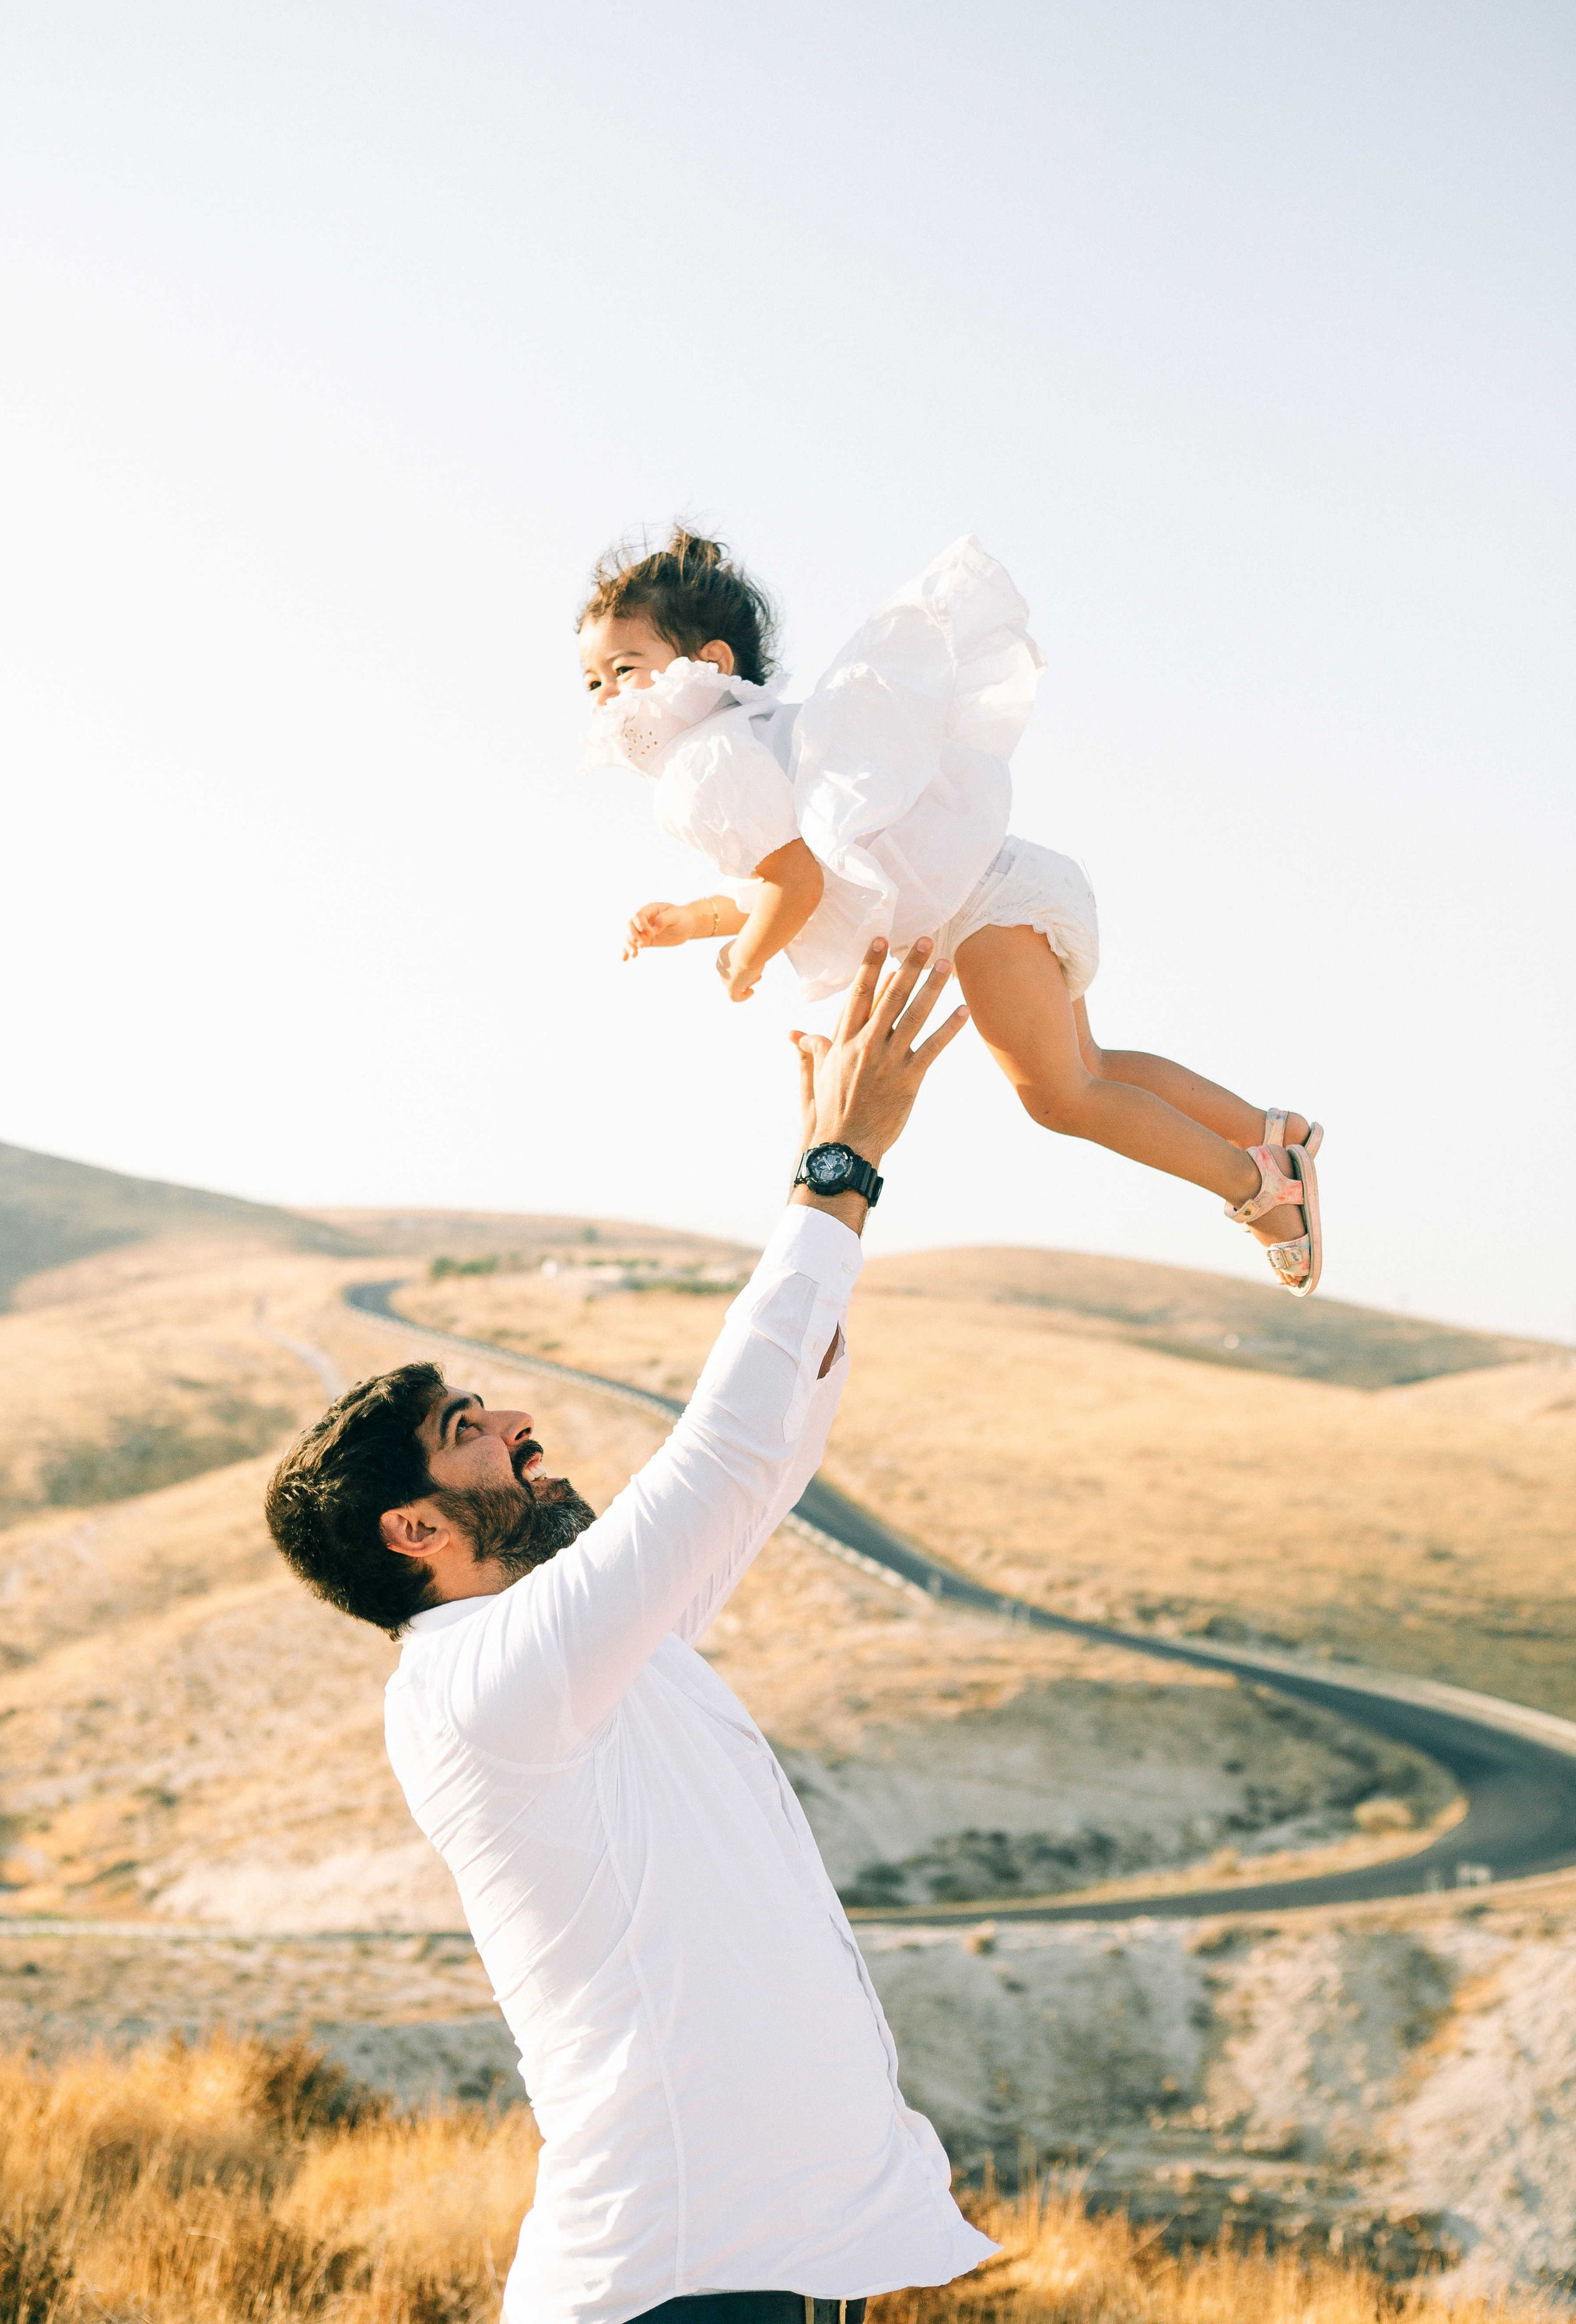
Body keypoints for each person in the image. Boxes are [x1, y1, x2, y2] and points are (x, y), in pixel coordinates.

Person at [266, 943, 995, 2324]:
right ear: (410, 1531)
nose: (521, 1429)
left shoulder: (597, 1653)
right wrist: (830, 1179)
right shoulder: (481, 1684)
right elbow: (716, 1459)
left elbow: (765, 1460)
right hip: (671, 2289)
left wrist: (841, 1191)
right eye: (466, 1434)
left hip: (777, 2271)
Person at [580, 527, 1324, 1298]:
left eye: (625, 668)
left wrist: (747, 958)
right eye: (592, 680)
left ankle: (1264, 1189)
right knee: (1092, 1069)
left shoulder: (704, 764)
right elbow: (803, 874)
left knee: (1062, 1098)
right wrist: (694, 920)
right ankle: (1272, 1133)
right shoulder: (748, 739)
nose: (605, 694)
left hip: (982, 911)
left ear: (710, 664)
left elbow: (794, 881)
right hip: (1003, 884)